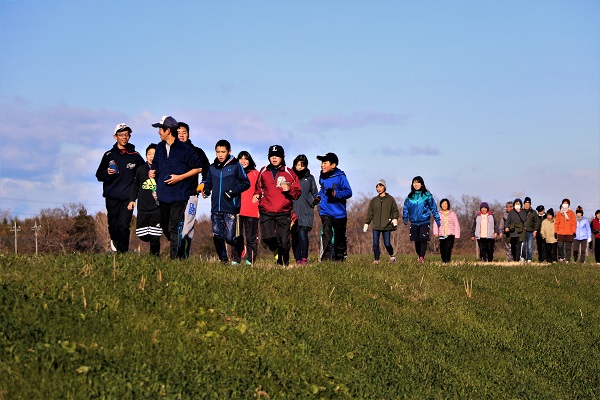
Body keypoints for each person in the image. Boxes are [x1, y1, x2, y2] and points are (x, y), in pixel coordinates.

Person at [149, 116, 202, 260]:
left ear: (168, 130)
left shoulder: (185, 149)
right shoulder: (159, 147)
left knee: (173, 226)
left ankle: (174, 259)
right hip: (163, 194)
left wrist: (179, 177)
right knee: (166, 227)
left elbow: (198, 168)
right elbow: (155, 167)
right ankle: (176, 244)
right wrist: (152, 172)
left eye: (160, 129)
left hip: (180, 194)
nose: (159, 132)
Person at [95, 123, 145, 253]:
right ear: (115, 136)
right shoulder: (108, 155)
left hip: (128, 198)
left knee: (124, 225)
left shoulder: (135, 156)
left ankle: (122, 253)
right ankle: (115, 243)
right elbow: (98, 175)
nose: (124, 137)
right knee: (113, 225)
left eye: (127, 135)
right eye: (121, 135)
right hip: (111, 196)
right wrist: (107, 173)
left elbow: (143, 174)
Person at [203, 140, 250, 264]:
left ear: (229, 151)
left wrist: (233, 192)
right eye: (218, 152)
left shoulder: (236, 166)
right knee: (217, 236)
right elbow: (208, 183)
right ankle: (223, 260)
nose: (220, 154)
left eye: (223, 152)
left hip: (231, 208)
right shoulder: (212, 168)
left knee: (230, 237)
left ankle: (239, 245)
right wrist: (206, 190)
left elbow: (246, 183)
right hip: (215, 208)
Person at [253, 145, 301, 266]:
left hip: (284, 212)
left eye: (277, 156)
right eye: (272, 156)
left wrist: (289, 189)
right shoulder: (263, 171)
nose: (274, 158)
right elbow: (258, 188)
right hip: (266, 210)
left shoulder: (290, 173)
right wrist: (257, 195)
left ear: (283, 157)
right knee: (267, 238)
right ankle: (278, 252)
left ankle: (284, 262)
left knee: (284, 241)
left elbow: (297, 193)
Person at [176, 122, 210, 258]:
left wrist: (204, 183)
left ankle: (183, 255)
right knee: (175, 225)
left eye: (183, 132)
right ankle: (175, 252)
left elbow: (206, 168)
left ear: (188, 134)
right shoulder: (170, 151)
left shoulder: (197, 151)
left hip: (191, 194)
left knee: (188, 225)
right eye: (178, 133)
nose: (181, 135)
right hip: (174, 195)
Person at [315, 152, 353, 262]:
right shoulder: (322, 176)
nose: (322, 165)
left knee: (339, 237)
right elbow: (322, 190)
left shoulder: (340, 177)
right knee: (326, 234)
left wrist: (335, 194)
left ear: (333, 165)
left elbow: (348, 192)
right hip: (325, 211)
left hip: (338, 212)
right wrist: (318, 197)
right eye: (322, 163)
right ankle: (326, 260)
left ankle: (340, 259)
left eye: (325, 163)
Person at [128, 144, 161, 256]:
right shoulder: (141, 170)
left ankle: (154, 258)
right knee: (143, 235)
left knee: (155, 237)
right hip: (142, 208)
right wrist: (132, 199)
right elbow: (135, 186)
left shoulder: (162, 170)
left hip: (156, 208)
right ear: (146, 156)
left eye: (154, 154)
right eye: (149, 154)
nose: (152, 156)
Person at [402, 176, 441, 263]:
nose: (416, 184)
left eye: (418, 182)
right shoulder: (410, 197)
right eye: (414, 182)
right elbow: (406, 207)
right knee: (417, 240)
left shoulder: (427, 195)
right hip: (414, 222)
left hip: (424, 221)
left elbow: (433, 208)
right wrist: (405, 217)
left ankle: (422, 257)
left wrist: (438, 220)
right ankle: (419, 255)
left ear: (422, 184)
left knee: (423, 238)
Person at [291, 154, 319, 265]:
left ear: (306, 166)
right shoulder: (291, 177)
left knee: (303, 235)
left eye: (302, 165)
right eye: (297, 165)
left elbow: (315, 193)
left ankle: (304, 258)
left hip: (306, 211)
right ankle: (297, 259)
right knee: (295, 237)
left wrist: (315, 201)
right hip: (293, 211)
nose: (299, 167)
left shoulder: (310, 178)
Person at [363, 179, 399, 264]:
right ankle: (376, 259)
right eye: (377, 186)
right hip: (376, 226)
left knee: (387, 244)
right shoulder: (374, 200)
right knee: (375, 244)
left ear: (384, 187)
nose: (378, 188)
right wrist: (366, 223)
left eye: (380, 186)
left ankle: (392, 255)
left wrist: (394, 219)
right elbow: (370, 213)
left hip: (386, 226)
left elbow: (395, 211)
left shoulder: (390, 199)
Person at [237, 151, 260, 265]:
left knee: (251, 237)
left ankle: (250, 260)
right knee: (236, 236)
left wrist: (258, 195)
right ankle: (236, 259)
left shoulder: (256, 173)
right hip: (237, 210)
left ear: (249, 160)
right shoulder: (234, 173)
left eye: (245, 158)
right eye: (240, 159)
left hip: (252, 210)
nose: (243, 161)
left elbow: (261, 188)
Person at [433, 198, 460, 263]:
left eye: (445, 204)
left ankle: (448, 259)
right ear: (441, 205)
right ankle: (444, 260)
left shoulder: (452, 213)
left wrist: (457, 234)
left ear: (448, 205)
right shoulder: (438, 214)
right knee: (442, 248)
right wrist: (436, 233)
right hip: (442, 233)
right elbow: (435, 224)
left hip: (450, 233)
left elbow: (456, 224)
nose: (444, 205)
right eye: (443, 204)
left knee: (448, 247)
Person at [504, 198, 527, 262]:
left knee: (519, 246)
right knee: (513, 246)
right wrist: (506, 227)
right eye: (516, 204)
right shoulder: (511, 212)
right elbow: (507, 220)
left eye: (518, 204)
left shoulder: (523, 212)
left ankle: (517, 259)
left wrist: (519, 212)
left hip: (520, 231)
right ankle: (514, 258)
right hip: (513, 231)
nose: (517, 205)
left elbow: (524, 219)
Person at [554, 198, 576, 263]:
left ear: (568, 205)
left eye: (566, 203)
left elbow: (573, 223)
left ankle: (567, 259)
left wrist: (574, 231)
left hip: (569, 233)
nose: (565, 205)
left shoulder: (571, 213)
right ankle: (561, 257)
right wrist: (555, 232)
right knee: (560, 246)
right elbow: (556, 223)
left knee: (568, 247)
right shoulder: (559, 213)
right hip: (560, 232)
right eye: (564, 203)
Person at [522, 197, 539, 263]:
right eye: (525, 204)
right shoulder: (521, 211)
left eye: (528, 204)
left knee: (530, 246)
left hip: (530, 232)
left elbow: (537, 222)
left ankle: (529, 259)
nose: (526, 205)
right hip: (523, 231)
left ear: (530, 205)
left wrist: (535, 230)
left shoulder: (533, 212)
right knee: (523, 246)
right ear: (524, 204)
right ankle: (523, 257)